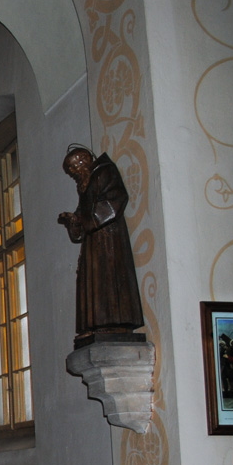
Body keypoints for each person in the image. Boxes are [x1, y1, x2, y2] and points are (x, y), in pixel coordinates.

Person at [57, 146, 144, 342]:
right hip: (93, 242)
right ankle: (97, 324)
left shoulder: (105, 171)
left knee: (108, 277)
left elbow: (117, 199)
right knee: (93, 280)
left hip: (109, 238)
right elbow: (82, 214)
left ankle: (114, 322)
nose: (74, 173)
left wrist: (88, 220)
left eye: (74, 167)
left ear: (84, 160)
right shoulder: (85, 183)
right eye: (71, 170)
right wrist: (73, 220)